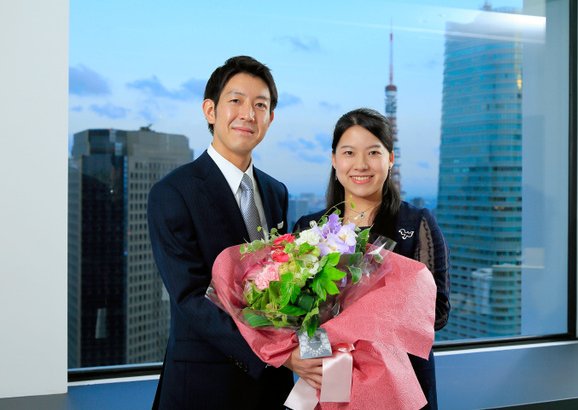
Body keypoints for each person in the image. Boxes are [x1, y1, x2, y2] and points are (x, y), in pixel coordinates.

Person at [148, 56, 321, 410]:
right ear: (210, 111)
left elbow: (279, 281)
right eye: (236, 101)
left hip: (270, 386)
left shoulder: (276, 191)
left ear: (270, 119)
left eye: (261, 105)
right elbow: (190, 298)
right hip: (204, 383)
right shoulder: (174, 191)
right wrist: (276, 353)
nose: (248, 114)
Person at [294, 107, 450, 409]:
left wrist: (358, 324)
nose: (361, 164)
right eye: (349, 152)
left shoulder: (415, 223)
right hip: (328, 376)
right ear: (334, 160)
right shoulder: (309, 228)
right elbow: (296, 317)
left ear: (390, 159)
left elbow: (438, 312)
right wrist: (322, 352)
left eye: (373, 153)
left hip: (401, 383)